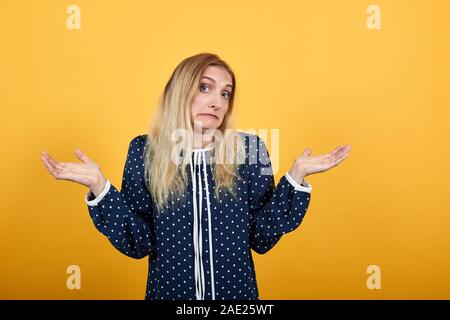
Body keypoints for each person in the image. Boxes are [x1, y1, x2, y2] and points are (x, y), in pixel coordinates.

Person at [41, 52, 351, 300]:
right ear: (181, 91)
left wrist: (295, 179)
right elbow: (138, 242)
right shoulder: (144, 151)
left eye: (225, 94)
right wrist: (100, 187)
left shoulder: (250, 149)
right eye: (205, 87)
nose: (217, 101)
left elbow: (261, 237)